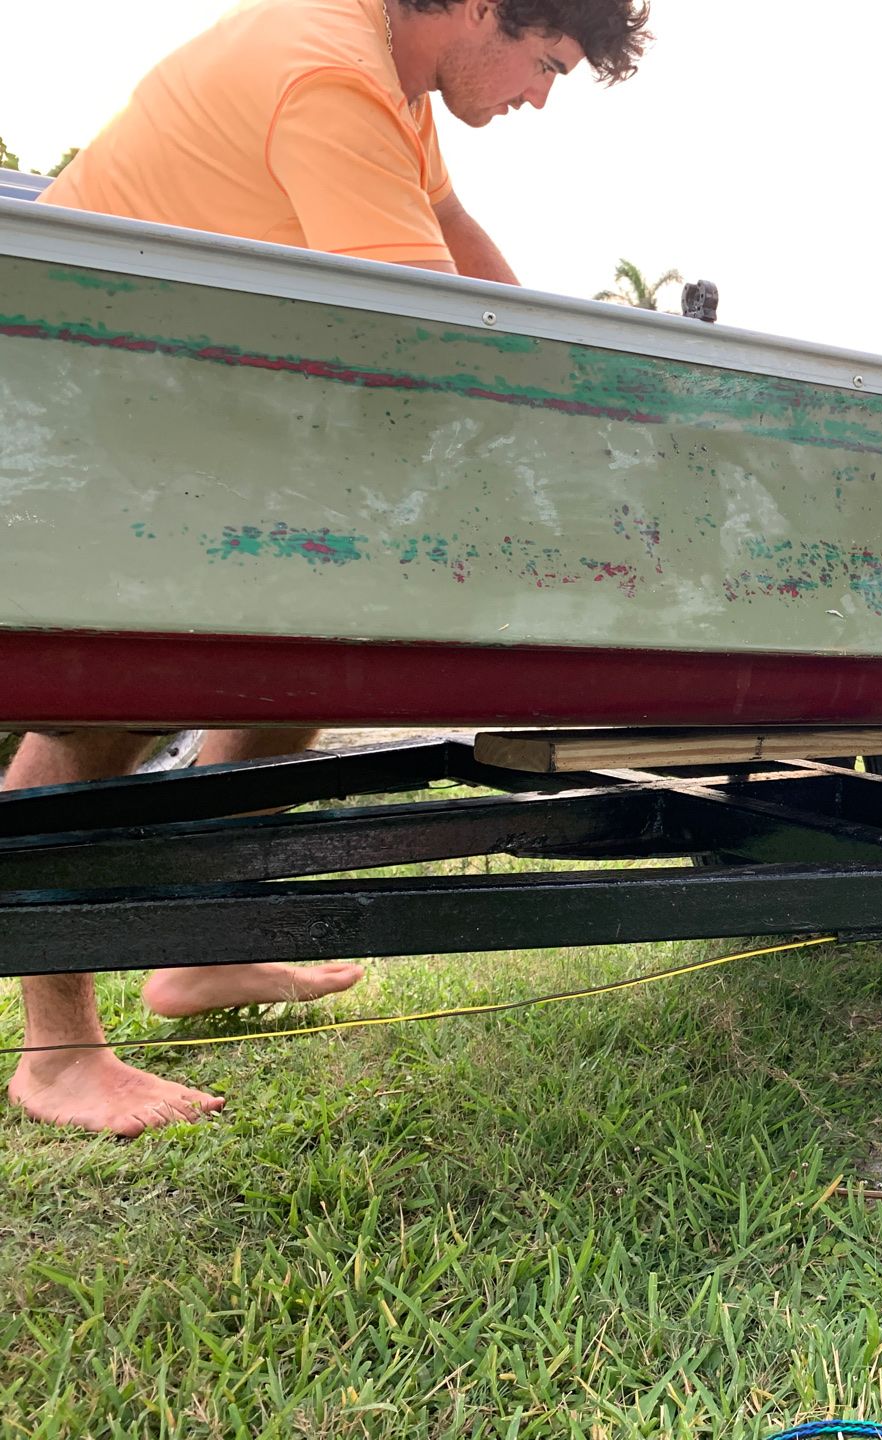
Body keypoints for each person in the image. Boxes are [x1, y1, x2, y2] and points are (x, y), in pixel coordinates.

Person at [7, 0, 653, 1138]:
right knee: (99, 713)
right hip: (77, 408)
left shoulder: (388, 75)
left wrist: (572, 374)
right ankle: (56, 1059)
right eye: (544, 63)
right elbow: (425, 340)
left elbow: (453, 238)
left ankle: (205, 949)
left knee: (300, 651)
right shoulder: (331, 77)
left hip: (165, 402)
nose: (540, 97)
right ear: (483, 7)